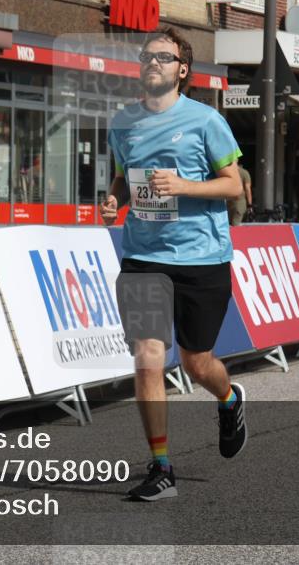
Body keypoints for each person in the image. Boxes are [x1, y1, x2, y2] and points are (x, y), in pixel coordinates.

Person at [100, 27, 248, 502]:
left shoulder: (206, 122)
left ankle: (229, 399)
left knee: (196, 362)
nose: (152, 63)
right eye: (147, 56)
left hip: (202, 257)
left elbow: (234, 188)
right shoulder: (123, 123)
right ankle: (161, 467)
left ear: (182, 70)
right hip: (143, 257)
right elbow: (124, 178)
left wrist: (184, 186)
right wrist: (112, 200)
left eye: (163, 57)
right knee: (146, 357)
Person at [226, 157, 252, 226]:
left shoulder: (227, 172)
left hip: (235, 203)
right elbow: (247, 189)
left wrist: (249, 204)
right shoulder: (244, 173)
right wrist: (250, 205)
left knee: (233, 225)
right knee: (233, 226)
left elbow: (247, 189)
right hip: (233, 203)